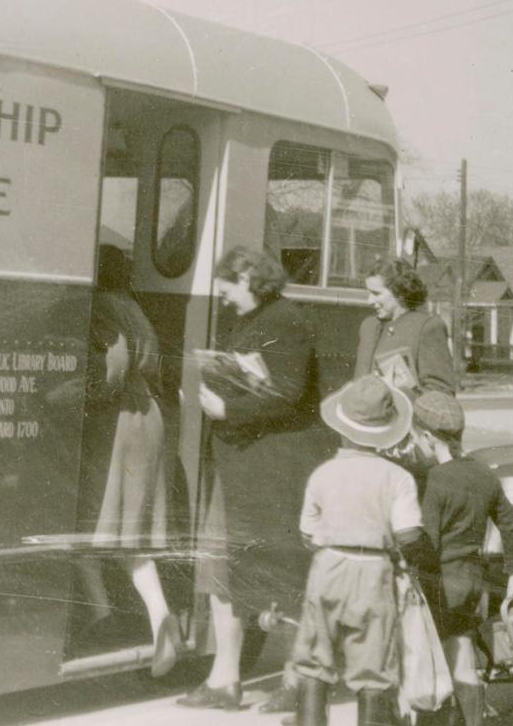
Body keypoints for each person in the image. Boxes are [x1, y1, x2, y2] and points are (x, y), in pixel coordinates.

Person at [179, 245, 333, 712]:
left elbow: (287, 394)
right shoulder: (251, 320)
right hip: (241, 466)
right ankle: (225, 680)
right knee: (223, 572)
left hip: (274, 473)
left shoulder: (287, 320)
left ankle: (295, 680)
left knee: (283, 575)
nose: (222, 298)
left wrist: (229, 407)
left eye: (226, 288)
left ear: (248, 276)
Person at [291, 376, 429, 726]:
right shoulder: (397, 478)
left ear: (341, 427)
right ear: (386, 432)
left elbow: (308, 533)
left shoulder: (322, 474)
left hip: (328, 566)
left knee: (313, 660)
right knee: (374, 668)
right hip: (373, 571)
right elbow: (410, 534)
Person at [82, 244, 178, 675]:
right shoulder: (129, 304)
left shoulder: (101, 304)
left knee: (95, 526)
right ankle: (152, 619)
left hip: (121, 418)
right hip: (145, 412)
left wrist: (87, 397)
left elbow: (114, 366)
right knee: (124, 532)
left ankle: (109, 615)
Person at [410, 390, 513, 726]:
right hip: (472, 581)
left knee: (431, 663)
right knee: (462, 658)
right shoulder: (483, 474)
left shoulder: (434, 481)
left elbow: (426, 542)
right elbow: (511, 525)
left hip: (440, 584)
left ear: (429, 438)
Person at [355, 257, 457, 396]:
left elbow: (441, 394)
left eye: (376, 294)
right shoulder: (368, 327)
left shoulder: (426, 327)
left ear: (400, 293)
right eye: (368, 293)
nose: (369, 301)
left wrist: (399, 394)